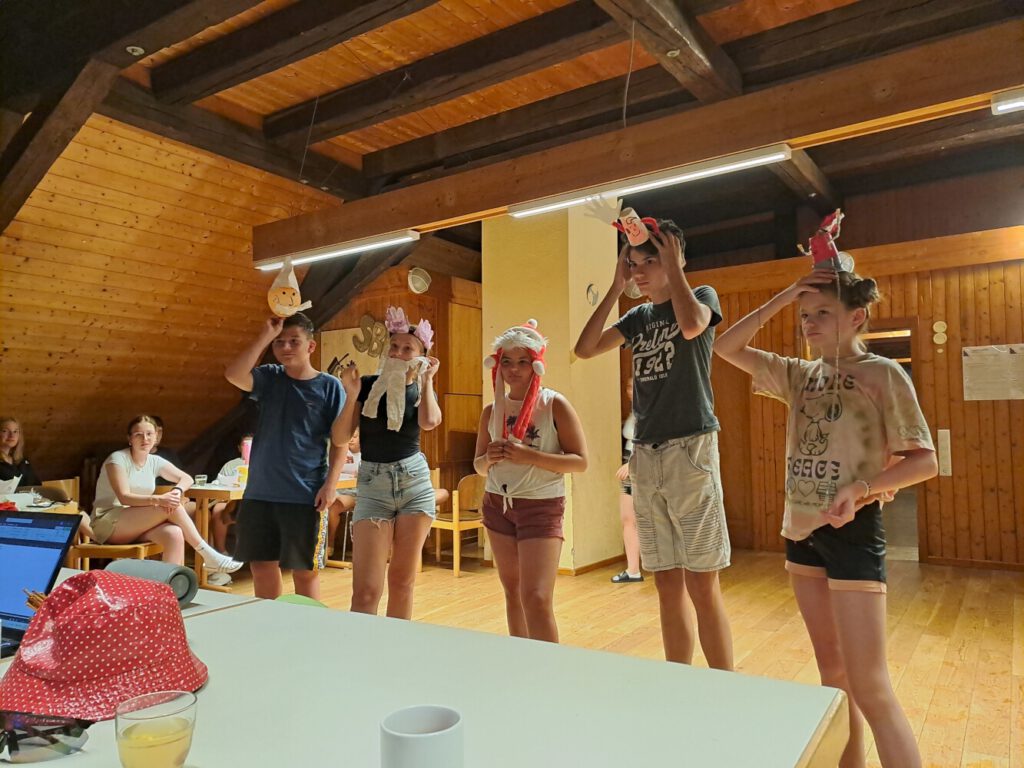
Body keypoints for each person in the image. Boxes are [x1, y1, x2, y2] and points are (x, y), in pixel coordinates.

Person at [714, 268, 937, 768]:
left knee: (870, 685)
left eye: (823, 313)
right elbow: (725, 346)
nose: (809, 323)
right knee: (833, 677)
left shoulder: (883, 374)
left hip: (853, 532)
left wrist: (864, 488)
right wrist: (784, 295)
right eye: (804, 315)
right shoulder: (798, 375)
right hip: (802, 533)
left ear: (856, 318)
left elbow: (925, 462)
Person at [575, 210, 734, 670]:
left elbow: (692, 326)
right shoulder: (638, 317)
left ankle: (725, 685)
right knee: (665, 582)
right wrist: (614, 286)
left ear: (674, 258)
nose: (639, 272)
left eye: (649, 261)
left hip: (691, 449)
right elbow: (585, 348)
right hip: (646, 454)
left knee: (702, 582)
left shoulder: (701, 296)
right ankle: (677, 679)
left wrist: (676, 268)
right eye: (633, 264)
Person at [225, 313, 353, 601]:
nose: (285, 347)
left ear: (311, 346)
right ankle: (271, 624)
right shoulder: (269, 377)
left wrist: (330, 485)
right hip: (260, 492)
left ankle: (306, 627)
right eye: (279, 342)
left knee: (305, 571)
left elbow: (340, 442)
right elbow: (234, 375)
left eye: (294, 341)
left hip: (305, 494)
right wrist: (265, 335)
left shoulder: (329, 386)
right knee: (261, 567)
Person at [473, 321, 587, 642]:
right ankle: (520, 661)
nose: (514, 369)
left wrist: (530, 456)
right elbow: (479, 466)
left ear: (536, 364)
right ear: (497, 365)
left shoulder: (553, 404)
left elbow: (580, 462)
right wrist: (489, 458)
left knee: (536, 597)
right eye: (507, 362)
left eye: (523, 361)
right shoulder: (491, 411)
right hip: (497, 505)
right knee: (513, 592)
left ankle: (547, 668)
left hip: (541, 506)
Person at [337, 306, 442, 620]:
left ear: (421, 356)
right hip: (373, 486)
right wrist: (351, 394)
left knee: (401, 582)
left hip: (414, 483)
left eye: (408, 349)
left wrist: (427, 381)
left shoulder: (420, 390)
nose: (398, 353)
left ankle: (397, 646)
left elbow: (430, 422)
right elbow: (340, 437)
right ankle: (362, 647)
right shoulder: (368, 386)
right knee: (366, 591)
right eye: (394, 346)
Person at [90, 415, 242, 571]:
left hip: (136, 522)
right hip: (108, 523)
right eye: (138, 435)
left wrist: (177, 491)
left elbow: (186, 478)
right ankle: (207, 554)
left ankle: (170, 584)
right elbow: (124, 497)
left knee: (174, 533)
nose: (145, 439)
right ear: (130, 439)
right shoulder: (117, 459)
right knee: (170, 506)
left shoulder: (154, 461)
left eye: (149, 434)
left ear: (156, 437)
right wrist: (159, 500)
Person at [611, 377, 642, 583]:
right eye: (628, 387)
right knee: (628, 518)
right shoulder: (634, 412)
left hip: (640, 468)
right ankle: (633, 570)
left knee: (652, 519)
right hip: (628, 465)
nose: (630, 390)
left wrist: (632, 464)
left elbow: (651, 441)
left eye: (634, 386)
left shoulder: (650, 411)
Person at [0, 417, 40, 487]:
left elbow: (36, 485)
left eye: (15, 431)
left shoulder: (22, 461)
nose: (12, 435)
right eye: (5, 431)